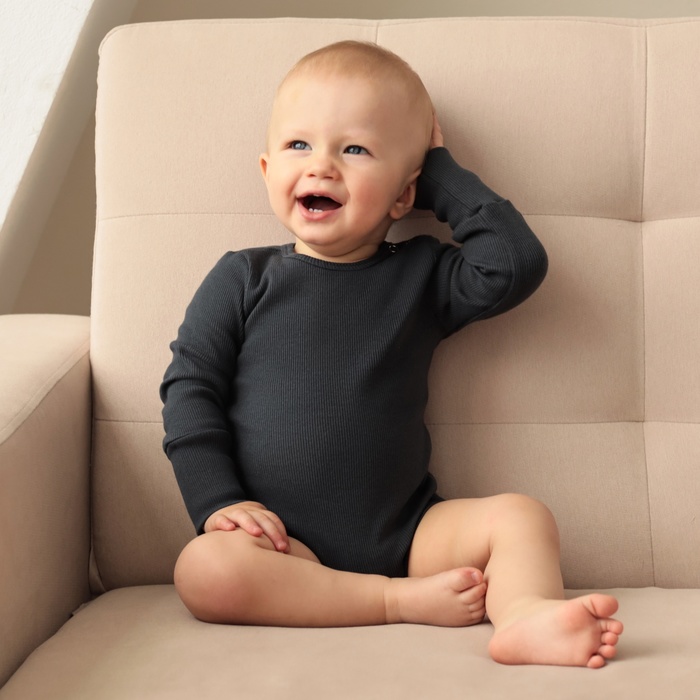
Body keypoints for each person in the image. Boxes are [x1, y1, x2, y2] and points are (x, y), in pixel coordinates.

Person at [160, 40, 623, 668]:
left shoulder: (423, 275)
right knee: (203, 570)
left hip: (409, 533)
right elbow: (189, 389)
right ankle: (391, 601)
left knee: (522, 517)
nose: (322, 167)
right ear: (267, 170)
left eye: (354, 150)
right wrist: (218, 501)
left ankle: (524, 616)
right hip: (280, 545)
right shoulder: (243, 277)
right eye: (299, 145)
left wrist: (439, 173)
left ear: (407, 195)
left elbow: (515, 263)